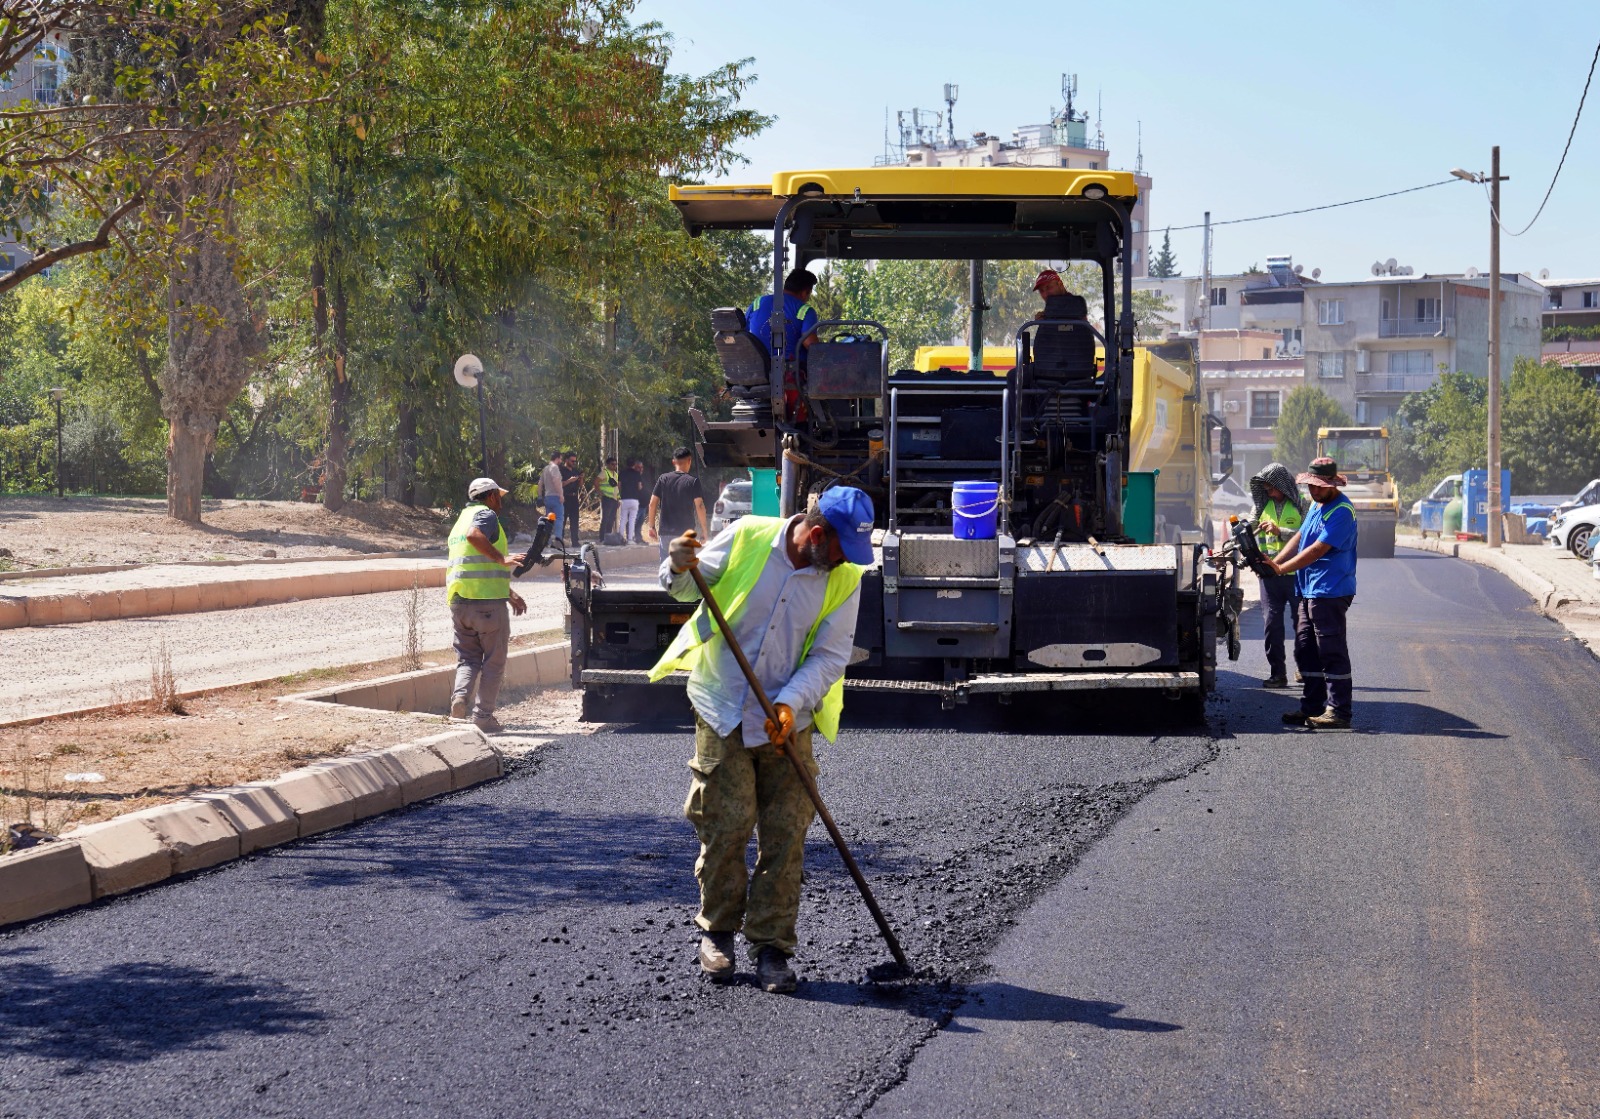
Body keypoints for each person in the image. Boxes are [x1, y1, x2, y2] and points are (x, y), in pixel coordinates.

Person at [651, 486, 875, 994]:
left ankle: (772, 948)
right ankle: (719, 934)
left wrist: (789, 704)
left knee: (787, 831)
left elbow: (829, 656)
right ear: (816, 534)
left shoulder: (844, 579)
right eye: (842, 549)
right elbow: (686, 590)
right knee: (726, 824)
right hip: (725, 707)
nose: (847, 562)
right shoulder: (749, 536)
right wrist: (677, 564)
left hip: (786, 723)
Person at [1262, 457, 1358, 729]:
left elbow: (1316, 550)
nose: (1313, 492)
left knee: (1331, 650)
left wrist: (1280, 570)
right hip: (1309, 589)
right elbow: (1299, 538)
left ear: (1332, 484)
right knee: (1306, 647)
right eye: (1311, 487)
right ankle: (1311, 707)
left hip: (1330, 589)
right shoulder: (1318, 505)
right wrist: (1275, 563)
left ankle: (1339, 711)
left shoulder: (1342, 511)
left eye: (1318, 487)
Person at [446, 477, 527, 734]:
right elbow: (476, 537)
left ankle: (459, 700)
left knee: (468, 659)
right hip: (487, 606)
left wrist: (508, 592)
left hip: (460, 602)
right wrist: (503, 558)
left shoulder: (460, 520)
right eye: (499, 497)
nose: (500, 502)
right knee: (493, 662)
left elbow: (476, 564)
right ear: (491, 496)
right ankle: (483, 718)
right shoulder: (486, 516)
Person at [1249, 462, 1307, 689]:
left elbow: (1308, 535)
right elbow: (1248, 527)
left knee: (1302, 624)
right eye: (1265, 488)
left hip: (1296, 575)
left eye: (1271, 488)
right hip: (1269, 575)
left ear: (1282, 485)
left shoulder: (1302, 505)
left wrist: (1279, 530)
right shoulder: (1262, 506)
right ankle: (1278, 674)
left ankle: (1304, 669)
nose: (1268, 492)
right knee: (1272, 624)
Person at [749, 268, 820, 419]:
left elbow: (745, 336)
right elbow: (812, 347)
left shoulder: (757, 303)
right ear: (805, 292)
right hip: (788, 375)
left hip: (754, 374)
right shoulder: (804, 310)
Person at [647, 447, 708, 562]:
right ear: (689, 460)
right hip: (685, 534)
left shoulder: (663, 479)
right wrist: (704, 530)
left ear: (674, 462)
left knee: (666, 570)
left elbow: (652, 504)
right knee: (684, 572)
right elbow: (699, 506)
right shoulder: (693, 481)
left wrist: (651, 527)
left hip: (665, 534)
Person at [619, 458, 647, 544]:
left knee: (623, 519)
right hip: (634, 500)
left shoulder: (622, 473)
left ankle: (620, 538)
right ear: (634, 465)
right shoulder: (637, 473)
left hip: (624, 499)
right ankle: (630, 539)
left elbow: (619, 485)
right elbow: (639, 487)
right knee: (632, 520)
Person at [539, 451, 565, 539]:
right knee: (559, 518)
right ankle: (558, 539)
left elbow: (540, 483)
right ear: (557, 458)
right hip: (555, 496)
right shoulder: (555, 468)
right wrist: (561, 494)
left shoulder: (546, 468)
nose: (561, 461)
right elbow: (556, 481)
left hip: (547, 497)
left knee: (549, 519)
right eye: (560, 459)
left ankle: (547, 540)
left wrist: (539, 496)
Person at [561, 451, 583, 546]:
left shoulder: (575, 471)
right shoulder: (560, 470)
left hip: (574, 497)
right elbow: (559, 484)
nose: (574, 463)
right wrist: (569, 481)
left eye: (575, 461)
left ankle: (575, 541)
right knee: (562, 521)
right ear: (566, 460)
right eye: (572, 461)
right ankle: (560, 541)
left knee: (574, 521)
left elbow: (580, 485)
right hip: (564, 497)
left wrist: (581, 478)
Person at [598, 456, 621, 541]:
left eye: (615, 464)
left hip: (614, 500)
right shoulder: (604, 473)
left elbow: (616, 488)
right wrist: (600, 492)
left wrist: (618, 499)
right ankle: (602, 538)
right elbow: (596, 482)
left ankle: (607, 537)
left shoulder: (615, 474)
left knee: (611, 519)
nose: (614, 466)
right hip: (607, 499)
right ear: (607, 464)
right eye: (612, 464)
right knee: (605, 519)